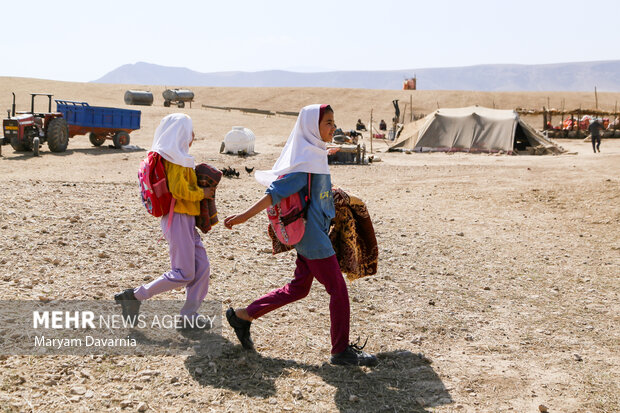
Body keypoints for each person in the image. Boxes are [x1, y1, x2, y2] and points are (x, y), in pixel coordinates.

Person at [223, 104, 377, 366]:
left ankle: (243, 316)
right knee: (338, 290)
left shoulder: (313, 154)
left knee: (298, 289)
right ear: (311, 127)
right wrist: (243, 217)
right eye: (328, 122)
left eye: (333, 122)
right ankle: (340, 351)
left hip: (315, 233)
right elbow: (274, 193)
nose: (334, 127)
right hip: (312, 238)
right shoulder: (303, 165)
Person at [114, 113, 215, 329]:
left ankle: (189, 316)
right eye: (190, 131)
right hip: (177, 218)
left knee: (202, 267)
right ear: (181, 133)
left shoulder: (177, 157)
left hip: (184, 219)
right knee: (184, 273)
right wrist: (202, 193)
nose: (193, 135)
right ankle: (134, 297)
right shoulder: (175, 159)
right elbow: (179, 190)